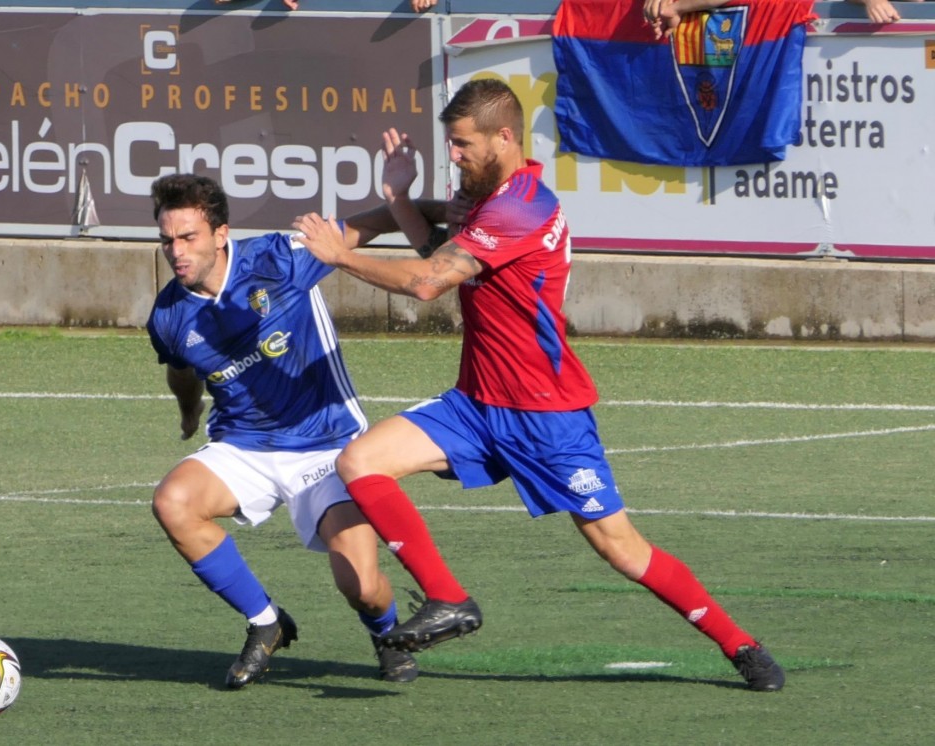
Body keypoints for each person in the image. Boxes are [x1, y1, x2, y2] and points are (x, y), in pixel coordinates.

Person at [293, 79, 787, 692]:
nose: (454, 155)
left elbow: (427, 281)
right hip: (475, 404)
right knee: (361, 461)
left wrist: (338, 257)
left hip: (548, 416)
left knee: (622, 549)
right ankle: (447, 597)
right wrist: (397, 197)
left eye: (462, 144)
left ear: (505, 137)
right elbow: (437, 246)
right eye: (451, 144)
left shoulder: (521, 206)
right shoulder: (483, 196)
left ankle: (740, 645)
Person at [145, 173, 420, 688]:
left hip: (328, 445)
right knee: (173, 503)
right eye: (166, 240)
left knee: (361, 586)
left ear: (221, 233)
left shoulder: (280, 258)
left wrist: (435, 212)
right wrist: (188, 413)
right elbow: (180, 368)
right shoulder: (169, 313)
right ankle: (265, 621)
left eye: (188, 238)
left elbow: (373, 225)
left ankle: (387, 633)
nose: (175, 251)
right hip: (243, 446)